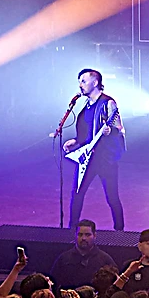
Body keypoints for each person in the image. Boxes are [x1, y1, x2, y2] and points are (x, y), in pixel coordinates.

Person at [62, 67, 126, 231]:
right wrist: (75, 142)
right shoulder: (85, 107)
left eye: (83, 81)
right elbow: (86, 135)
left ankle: (120, 232)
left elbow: (119, 128)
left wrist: (110, 131)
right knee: (77, 194)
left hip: (105, 159)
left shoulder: (108, 103)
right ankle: (72, 230)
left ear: (95, 82)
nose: (80, 85)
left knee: (112, 197)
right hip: (87, 158)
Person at [49, 220, 115, 290]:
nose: (83, 238)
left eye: (87, 235)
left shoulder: (105, 260)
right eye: (80, 235)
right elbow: (53, 284)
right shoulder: (64, 259)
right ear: (75, 235)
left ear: (94, 236)